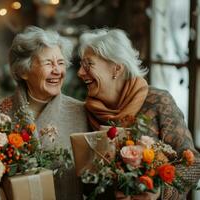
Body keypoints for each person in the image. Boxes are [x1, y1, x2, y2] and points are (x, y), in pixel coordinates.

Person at [77, 28, 200, 200]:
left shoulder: (158, 101)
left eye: (88, 64)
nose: (80, 73)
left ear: (117, 68)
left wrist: (159, 192)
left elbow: (193, 164)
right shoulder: (86, 111)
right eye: (80, 65)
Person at [0, 26, 89, 200]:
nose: (57, 71)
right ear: (23, 71)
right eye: (48, 63)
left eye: (61, 63)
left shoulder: (81, 112)